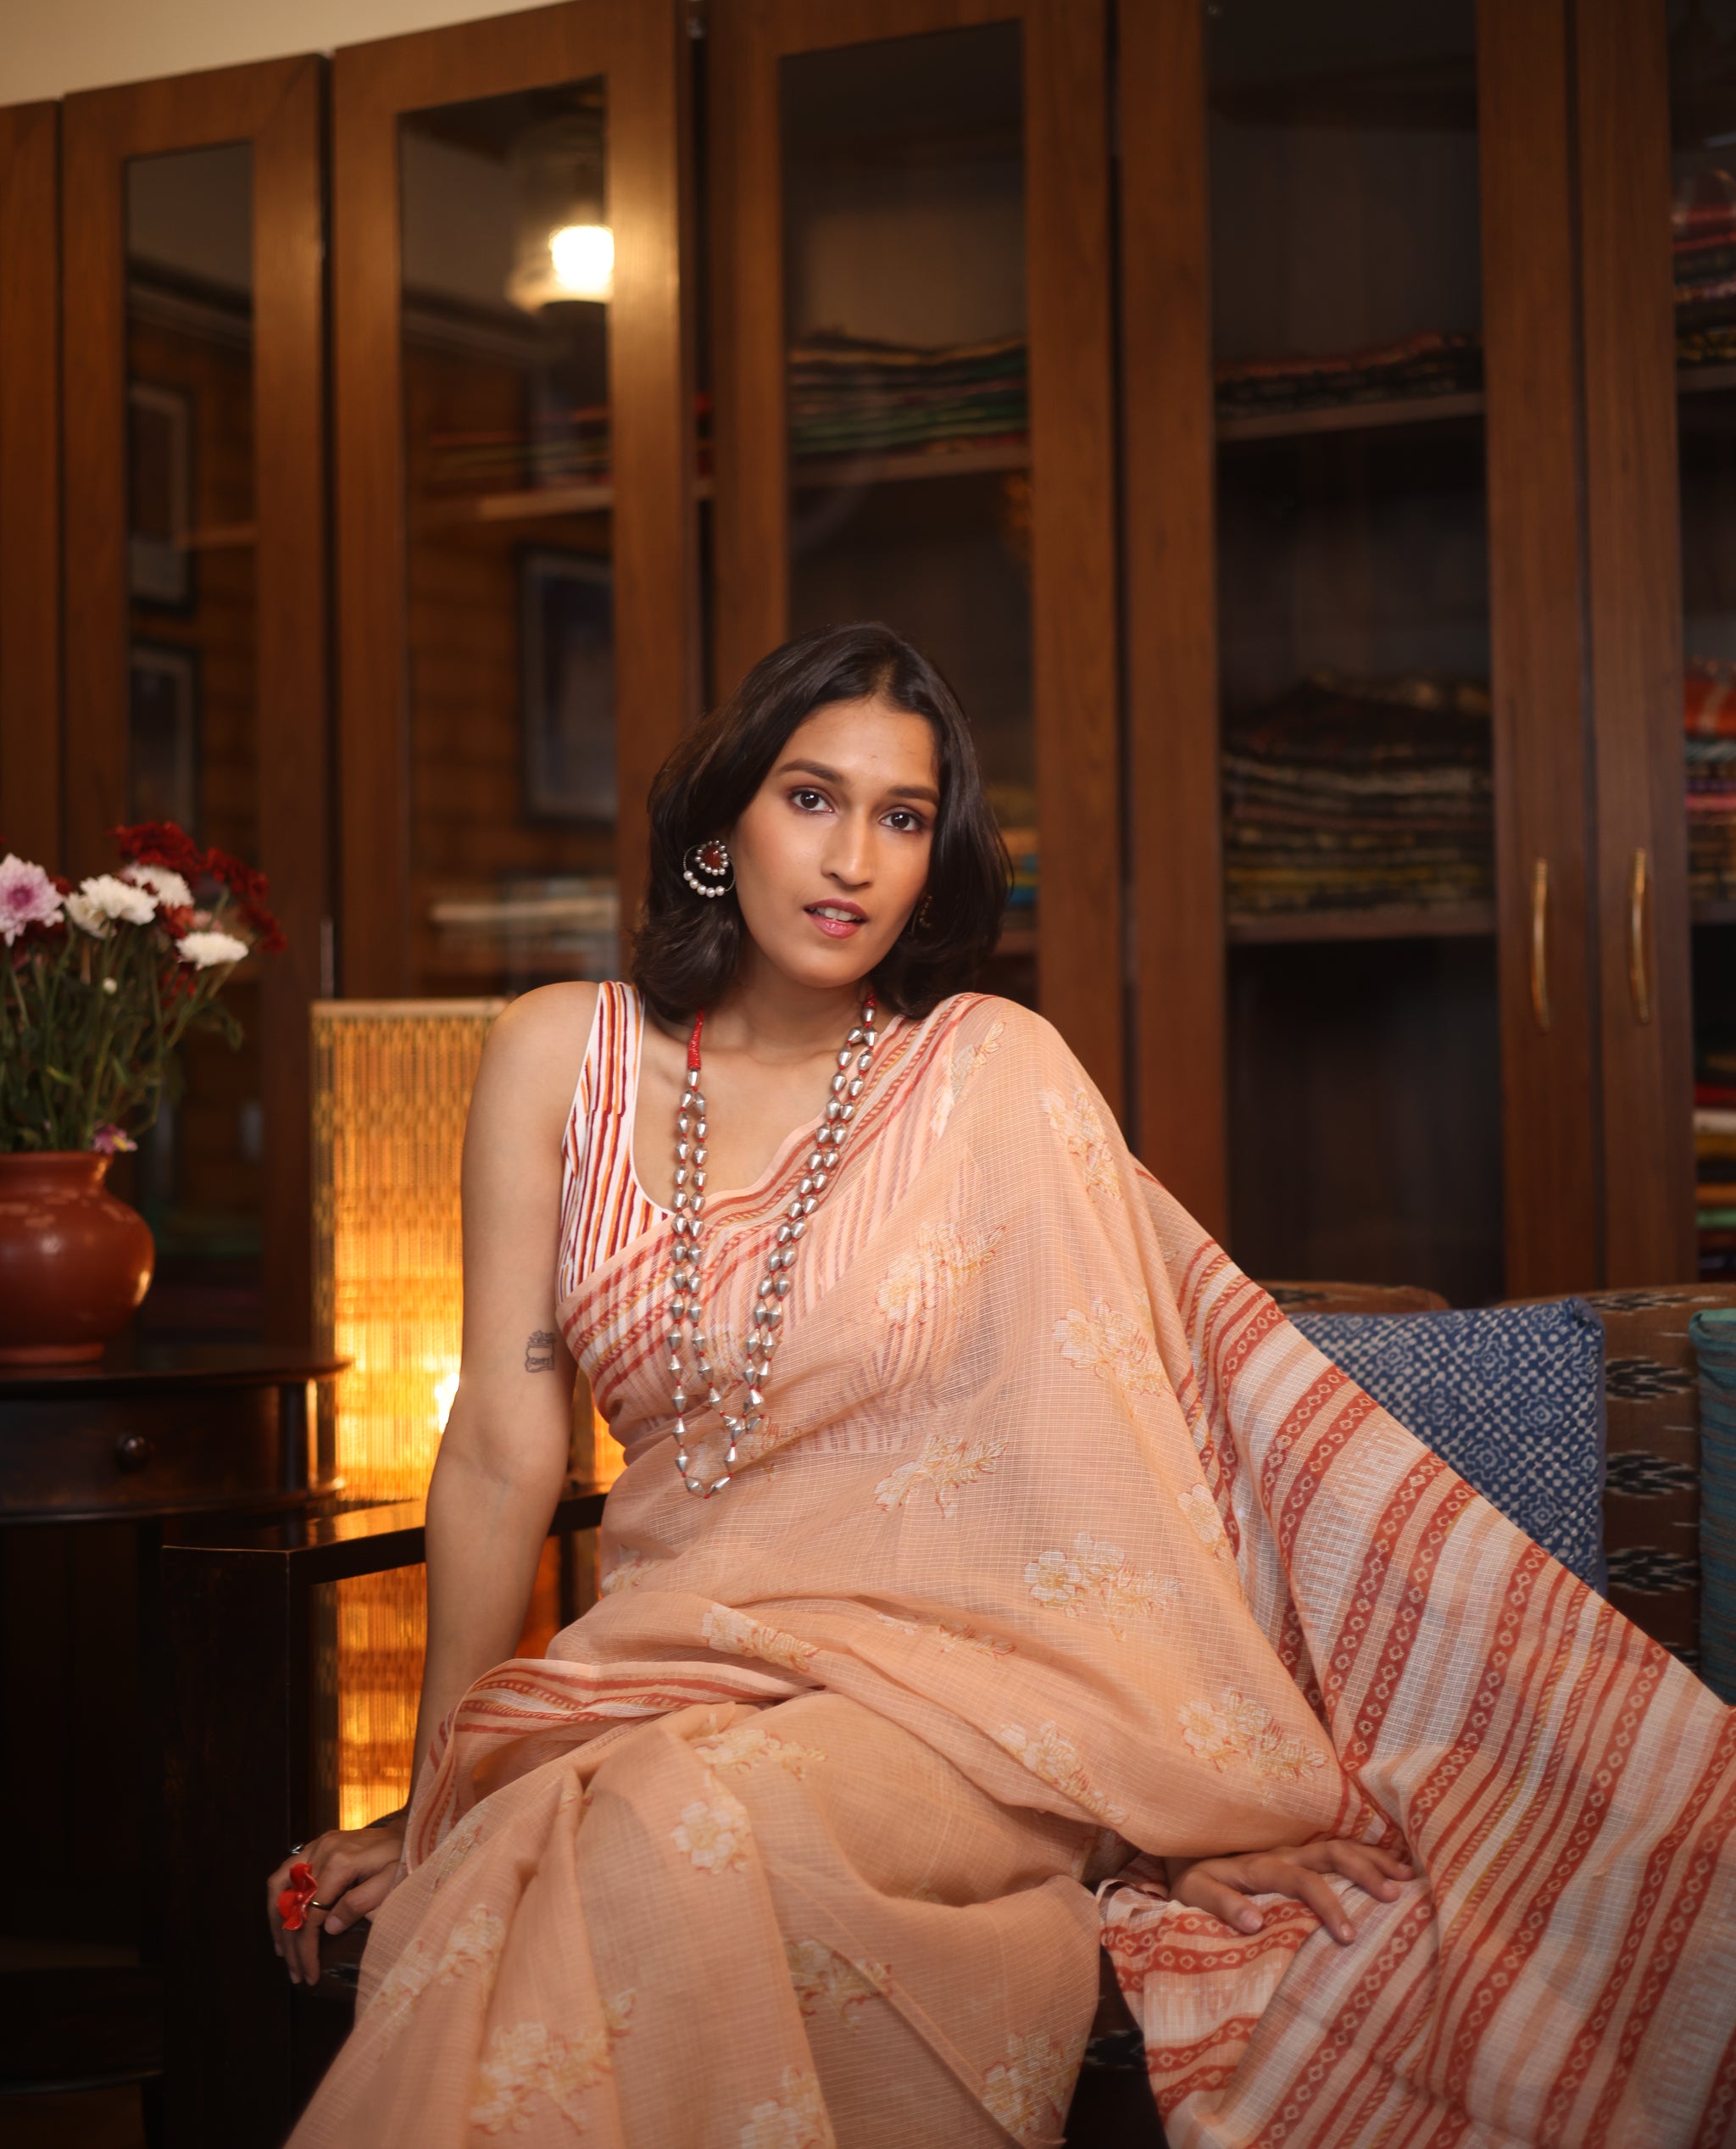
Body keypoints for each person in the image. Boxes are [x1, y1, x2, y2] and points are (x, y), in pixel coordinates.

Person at [275, 626, 1735, 2148]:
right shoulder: (557, 1057)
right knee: (557, 1841)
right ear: (720, 825)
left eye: (902, 817)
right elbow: (502, 1444)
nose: (853, 858)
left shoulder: (992, 1072)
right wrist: (431, 1803)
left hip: (959, 1719)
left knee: (662, 1831)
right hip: (656, 1679)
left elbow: (1109, 1473)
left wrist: (1176, 1818)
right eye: (810, 797)